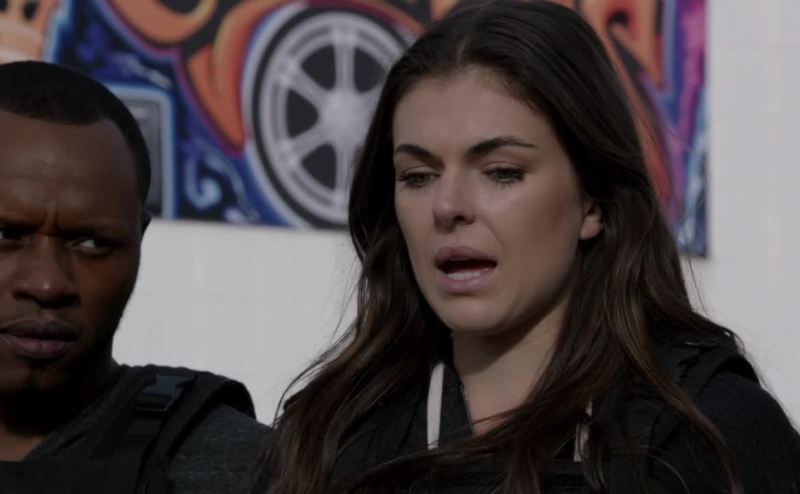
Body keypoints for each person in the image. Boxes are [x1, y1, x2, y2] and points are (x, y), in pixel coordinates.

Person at [254, 1, 800, 493]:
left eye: (502, 172)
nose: (448, 206)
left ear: (593, 201)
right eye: (418, 176)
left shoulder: (706, 429)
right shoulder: (328, 437)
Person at [0, 61, 269, 493]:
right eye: (6, 235)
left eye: (91, 243)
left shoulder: (245, 469)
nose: (47, 283)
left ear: (138, 241)